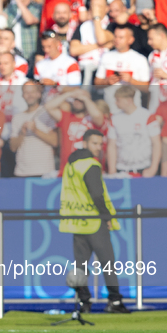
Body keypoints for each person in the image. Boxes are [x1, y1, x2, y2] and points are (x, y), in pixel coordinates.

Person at [59, 128, 129, 314]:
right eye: (94, 143)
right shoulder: (91, 164)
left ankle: (84, 303)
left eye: (100, 144)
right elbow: (97, 194)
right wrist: (106, 216)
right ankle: (114, 302)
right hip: (94, 221)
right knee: (108, 263)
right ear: (85, 143)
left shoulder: (70, 165)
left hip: (76, 220)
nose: (98, 147)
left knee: (80, 266)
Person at [45, 89, 108, 175]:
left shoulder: (93, 120)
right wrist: (69, 94)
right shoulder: (66, 117)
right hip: (68, 170)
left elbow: (97, 116)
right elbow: (48, 107)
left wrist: (85, 98)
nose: (77, 101)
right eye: (75, 99)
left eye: (81, 100)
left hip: (89, 171)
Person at [106, 86, 161, 177]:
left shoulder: (147, 116)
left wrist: (153, 168)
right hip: (121, 170)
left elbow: (156, 144)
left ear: (128, 100)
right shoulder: (115, 119)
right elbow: (112, 145)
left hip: (143, 169)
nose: (115, 103)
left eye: (118, 100)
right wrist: (112, 171)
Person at [9, 81, 58, 177]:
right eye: (26, 92)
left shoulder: (47, 113)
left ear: (39, 94)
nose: (29, 95)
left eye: (32, 92)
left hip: (44, 171)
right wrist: (22, 133)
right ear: (22, 95)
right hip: (22, 172)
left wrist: (35, 130)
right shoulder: (17, 117)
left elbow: (55, 141)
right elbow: (13, 147)